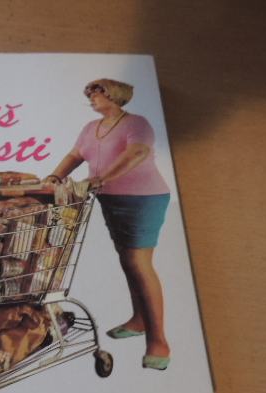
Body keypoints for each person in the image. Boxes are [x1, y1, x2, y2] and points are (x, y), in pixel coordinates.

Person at [44, 79, 171, 370]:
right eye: (89, 94)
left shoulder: (137, 123)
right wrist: (55, 176)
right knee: (128, 261)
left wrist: (101, 178)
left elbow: (136, 153)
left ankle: (159, 341)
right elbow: (75, 155)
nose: (90, 98)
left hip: (143, 198)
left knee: (139, 263)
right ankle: (139, 320)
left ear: (113, 95)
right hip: (109, 199)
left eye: (96, 93)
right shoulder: (91, 127)